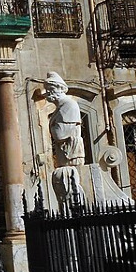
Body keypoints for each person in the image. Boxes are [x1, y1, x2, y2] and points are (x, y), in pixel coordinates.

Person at [45, 72, 85, 203]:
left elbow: (60, 134)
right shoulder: (60, 108)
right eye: (47, 90)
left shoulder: (69, 105)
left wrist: (52, 128)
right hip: (65, 154)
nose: (48, 93)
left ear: (59, 89)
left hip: (71, 154)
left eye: (50, 90)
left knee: (72, 185)